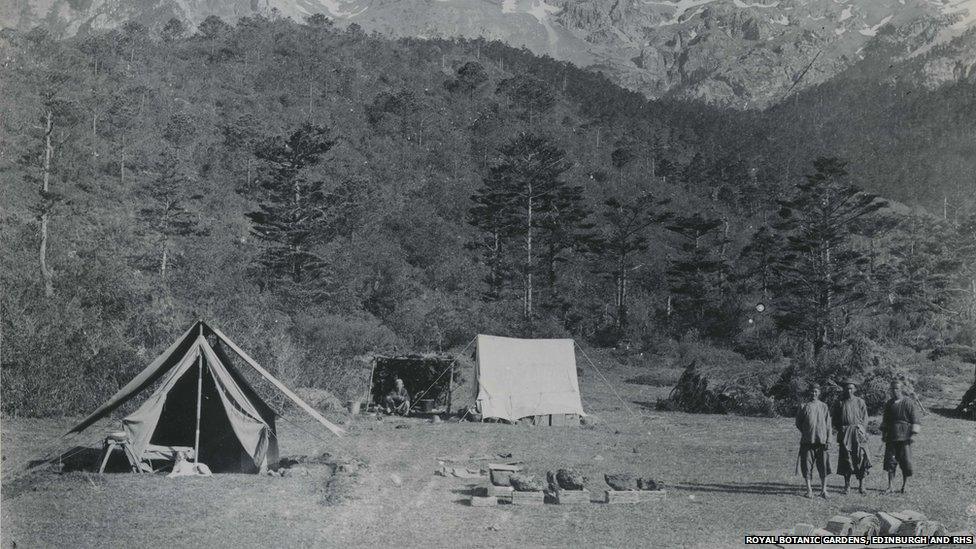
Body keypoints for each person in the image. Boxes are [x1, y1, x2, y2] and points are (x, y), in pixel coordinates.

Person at [881, 380, 922, 494]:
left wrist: (913, 434)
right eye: (892, 389)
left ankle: (905, 486)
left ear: (901, 390)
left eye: (897, 389)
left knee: (906, 462)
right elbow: (885, 420)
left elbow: (915, 419)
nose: (894, 391)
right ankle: (890, 486)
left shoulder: (908, 403)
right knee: (890, 461)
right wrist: (884, 434)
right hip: (892, 436)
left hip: (905, 436)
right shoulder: (889, 403)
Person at [831, 379, 870, 495]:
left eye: (851, 388)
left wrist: (862, 430)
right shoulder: (840, 402)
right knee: (846, 459)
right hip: (845, 433)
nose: (849, 390)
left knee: (861, 457)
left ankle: (861, 485)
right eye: (847, 388)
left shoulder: (860, 402)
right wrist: (841, 429)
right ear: (844, 389)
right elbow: (835, 419)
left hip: (858, 433)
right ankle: (847, 486)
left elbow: (865, 418)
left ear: (855, 389)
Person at [795, 384, 832, 499]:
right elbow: (798, 423)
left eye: (816, 392)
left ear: (819, 393)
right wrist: (807, 432)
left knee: (824, 466)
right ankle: (809, 490)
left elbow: (828, 425)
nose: (814, 394)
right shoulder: (803, 406)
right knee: (806, 466)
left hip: (822, 443)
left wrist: (828, 440)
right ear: (809, 393)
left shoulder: (824, 406)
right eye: (812, 392)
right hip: (807, 442)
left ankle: (824, 490)